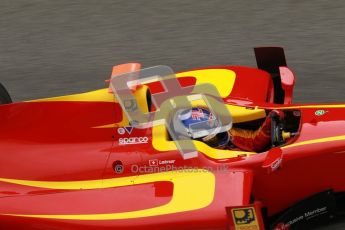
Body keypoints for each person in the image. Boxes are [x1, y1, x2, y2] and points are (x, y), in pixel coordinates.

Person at [172, 107, 283, 152]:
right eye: (213, 136)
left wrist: (269, 124)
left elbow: (253, 141)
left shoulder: (227, 133)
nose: (220, 135)